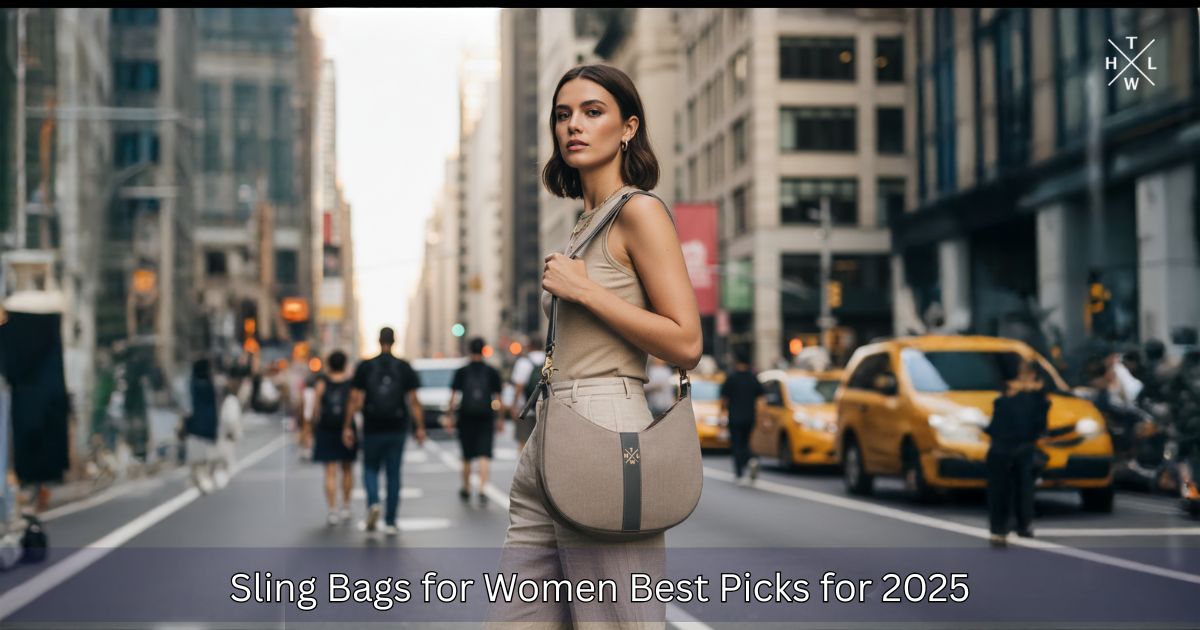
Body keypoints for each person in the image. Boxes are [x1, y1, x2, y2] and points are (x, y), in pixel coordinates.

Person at [488, 64, 702, 629]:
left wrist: (585, 290)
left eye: (592, 111)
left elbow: (686, 342)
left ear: (628, 128)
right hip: (552, 431)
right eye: (563, 115)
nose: (573, 126)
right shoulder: (583, 224)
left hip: (607, 427)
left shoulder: (640, 211)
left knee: (618, 621)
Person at [344, 328, 425, 536]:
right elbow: (414, 401)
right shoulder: (404, 367)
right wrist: (420, 428)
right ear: (395, 341)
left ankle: (373, 503)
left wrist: (347, 426)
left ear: (378, 341)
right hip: (397, 427)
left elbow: (354, 399)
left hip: (372, 426)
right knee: (393, 473)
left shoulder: (365, 366)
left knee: (370, 468)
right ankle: (390, 521)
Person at [984, 359, 1049, 547]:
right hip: (1009, 447)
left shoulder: (1033, 400)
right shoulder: (1010, 399)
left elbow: (1039, 426)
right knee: (1010, 489)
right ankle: (1006, 527)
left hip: (1015, 447)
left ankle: (1009, 527)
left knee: (1018, 489)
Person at [446, 338, 503, 506]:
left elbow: (453, 397)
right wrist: (499, 418)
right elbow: (498, 398)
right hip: (486, 416)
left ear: (469, 350)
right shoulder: (491, 371)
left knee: (466, 455)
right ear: (483, 350)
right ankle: (483, 489)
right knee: (484, 454)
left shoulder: (462, 371)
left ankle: (466, 487)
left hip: (466, 416)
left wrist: (449, 416)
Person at [309, 351, 357, 525]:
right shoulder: (350, 383)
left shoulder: (322, 383)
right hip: (346, 428)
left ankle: (332, 510)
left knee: (330, 471)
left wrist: (313, 428)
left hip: (326, 428)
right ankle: (346, 506)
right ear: (345, 364)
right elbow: (356, 405)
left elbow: (315, 409)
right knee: (347, 469)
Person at [720, 347, 766, 485]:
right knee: (745, 442)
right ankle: (752, 458)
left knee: (736, 444)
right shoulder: (753, 378)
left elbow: (724, 399)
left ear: (736, 361)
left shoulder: (731, 377)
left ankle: (740, 473)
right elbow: (761, 399)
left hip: (734, 417)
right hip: (749, 416)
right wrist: (765, 417)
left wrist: (722, 414)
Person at [184, 359, 220, 494]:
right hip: (209, 425)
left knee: (197, 458)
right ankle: (205, 478)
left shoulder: (192, 383)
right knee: (207, 457)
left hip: (195, 427)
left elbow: (188, 405)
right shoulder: (210, 383)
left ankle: (199, 478)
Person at [508, 338, 546, 455]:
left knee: (523, 442)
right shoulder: (549, 360)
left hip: (526, 409)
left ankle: (524, 470)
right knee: (543, 442)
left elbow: (518, 387)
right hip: (546, 407)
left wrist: (514, 406)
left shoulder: (523, 362)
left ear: (529, 346)